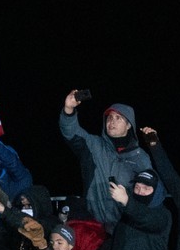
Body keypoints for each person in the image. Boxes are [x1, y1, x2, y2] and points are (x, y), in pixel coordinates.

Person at [59, 91, 162, 231]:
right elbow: (71, 132)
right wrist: (69, 110)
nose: (111, 121)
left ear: (129, 125)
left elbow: (151, 192)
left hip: (125, 228)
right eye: (109, 118)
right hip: (93, 225)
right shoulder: (94, 145)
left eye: (118, 118)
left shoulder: (140, 157)